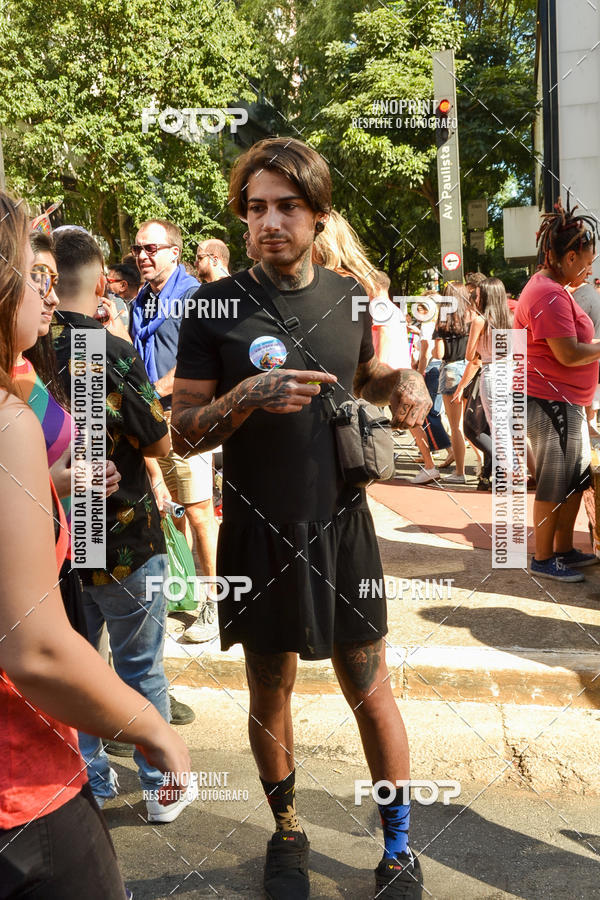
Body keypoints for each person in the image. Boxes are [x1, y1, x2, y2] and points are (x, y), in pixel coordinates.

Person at [173, 137, 430, 899]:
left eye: (287, 207)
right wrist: (245, 398)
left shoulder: (350, 295)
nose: (268, 222)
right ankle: (287, 833)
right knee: (269, 690)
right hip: (258, 528)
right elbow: (183, 428)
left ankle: (399, 848)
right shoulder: (213, 306)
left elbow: (369, 375)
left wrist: (405, 379)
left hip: (344, 525)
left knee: (370, 688)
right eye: (255, 208)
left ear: (319, 215)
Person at [0, 191, 191, 898]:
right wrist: (157, 733)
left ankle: (101, 769)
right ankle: (156, 784)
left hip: (79, 551)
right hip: (22, 781)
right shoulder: (31, 394)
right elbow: (36, 650)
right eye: (31, 271)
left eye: (50, 274)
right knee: (139, 667)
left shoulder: (30, 371)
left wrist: (57, 474)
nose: (44, 293)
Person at [51, 227, 197, 821]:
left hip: (58, 531)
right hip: (122, 532)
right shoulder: (106, 349)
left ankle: (89, 775)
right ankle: (162, 786)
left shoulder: (31, 347)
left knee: (78, 660)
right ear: (101, 273)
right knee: (140, 665)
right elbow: (160, 441)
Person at [130, 219, 218, 643]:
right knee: (168, 510)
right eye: (137, 250)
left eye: (151, 249)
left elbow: (199, 361)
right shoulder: (141, 299)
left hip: (185, 421)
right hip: (149, 420)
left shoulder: (194, 297)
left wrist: (155, 391)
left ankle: (214, 605)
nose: (142, 256)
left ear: (174, 253)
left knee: (199, 512)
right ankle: (180, 598)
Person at [514, 198, 600, 581]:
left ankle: (562, 548)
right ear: (567, 257)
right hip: (550, 400)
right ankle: (544, 557)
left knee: (575, 478)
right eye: (586, 261)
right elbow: (567, 354)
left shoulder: (553, 289)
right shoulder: (548, 293)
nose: (589, 268)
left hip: (564, 401)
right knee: (556, 479)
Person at [431, 283, 472, 484]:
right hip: (471, 370)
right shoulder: (472, 320)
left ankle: (460, 472)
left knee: (456, 426)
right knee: (470, 423)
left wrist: (432, 352)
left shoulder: (444, 322)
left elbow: (438, 354)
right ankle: (482, 467)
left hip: (452, 370)